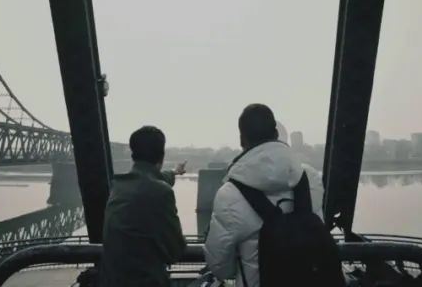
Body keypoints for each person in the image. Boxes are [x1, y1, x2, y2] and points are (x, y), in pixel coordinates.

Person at [204, 104, 337, 287]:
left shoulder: (229, 194)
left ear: (242, 139)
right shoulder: (309, 178)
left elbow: (220, 267)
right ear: (276, 133)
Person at [101, 126, 187, 286]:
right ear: (161, 155)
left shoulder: (119, 186)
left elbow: (149, 179)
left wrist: (174, 172)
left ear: (133, 155)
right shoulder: (161, 192)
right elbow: (175, 250)